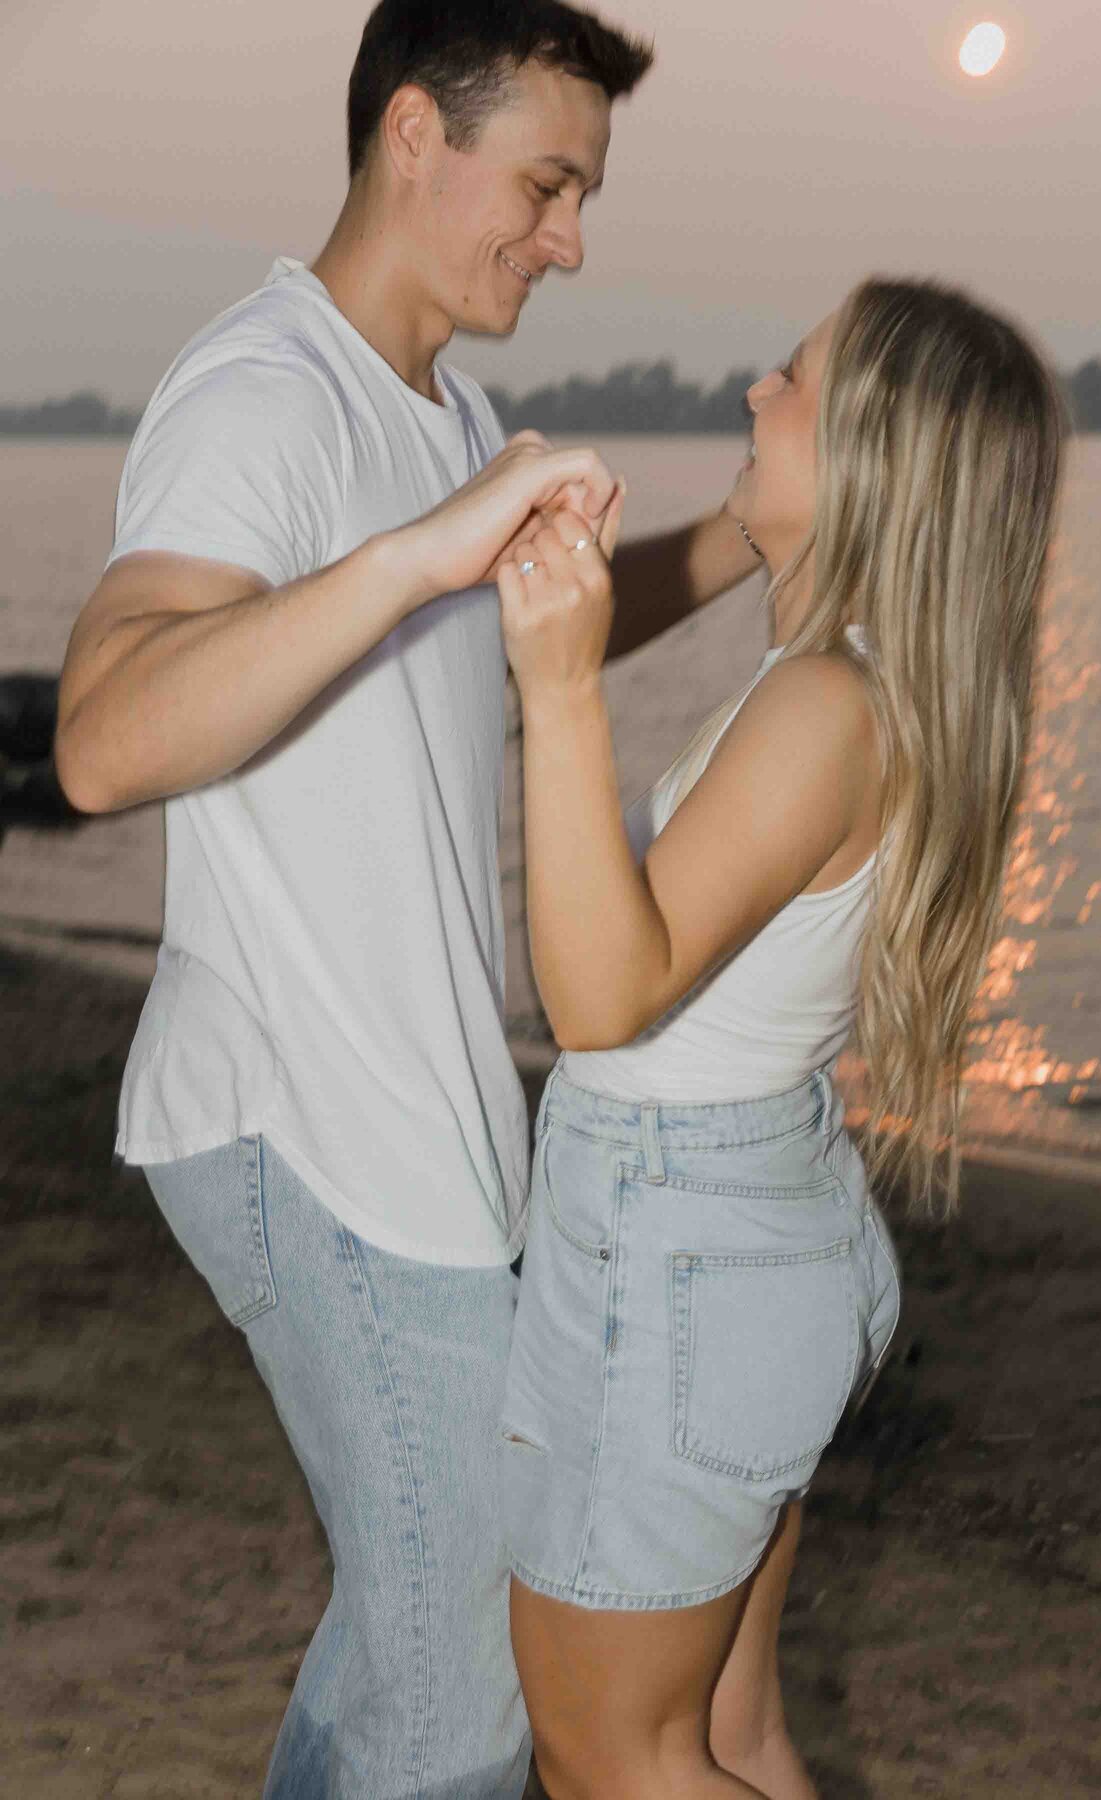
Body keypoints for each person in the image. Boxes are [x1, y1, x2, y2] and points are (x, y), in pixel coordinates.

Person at [46, 2, 774, 1793]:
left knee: (411, 1640)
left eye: (583, 193)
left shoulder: (447, 415)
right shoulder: (264, 393)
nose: (571, 237)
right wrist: (410, 559)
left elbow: (527, 620)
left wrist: (762, 533)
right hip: (315, 1132)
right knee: (464, 1695)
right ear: (409, 136)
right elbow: (101, 736)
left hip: (428, 1129)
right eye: (544, 182)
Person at [495, 276, 1066, 1798]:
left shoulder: (825, 703)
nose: (753, 393)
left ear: (878, 462)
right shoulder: (869, 685)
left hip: (682, 1241)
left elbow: (605, 997)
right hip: (735, 1226)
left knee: (608, 1751)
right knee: (723, 1740)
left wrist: (563, 689)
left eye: (795, 385)